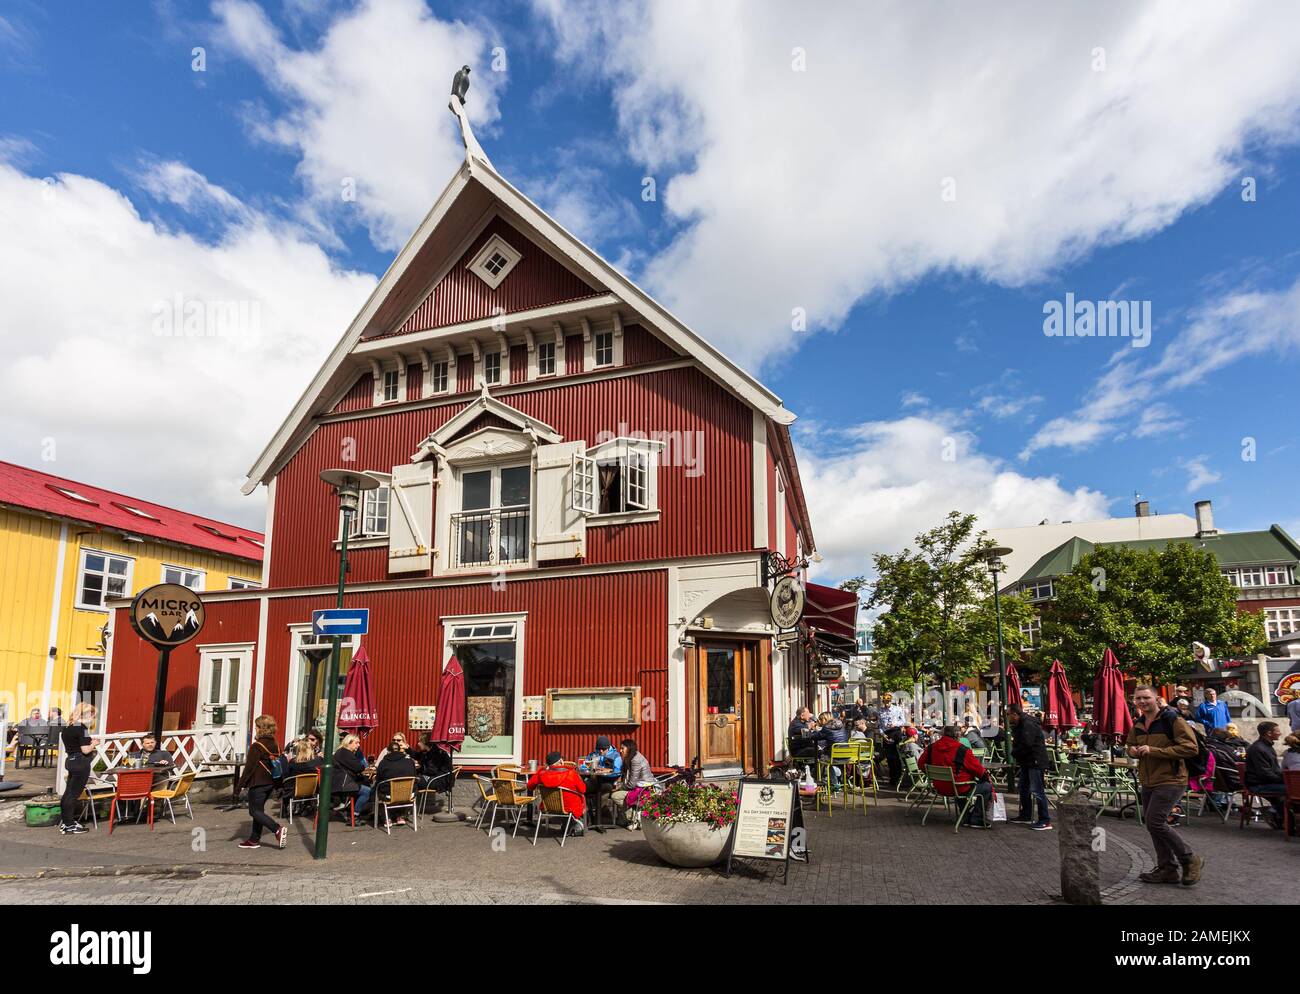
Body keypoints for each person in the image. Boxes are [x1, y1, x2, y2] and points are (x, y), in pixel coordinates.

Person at [1125, 686, 1203, 885]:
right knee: (1153, 825)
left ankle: (1189, 858)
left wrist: (1154, 751)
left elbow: (1190, 748)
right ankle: (1167, 869)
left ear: (1156, 699)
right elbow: (1129, 745)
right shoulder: (1139, 724)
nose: (1142, 701)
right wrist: (1132, 751)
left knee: (1155, 822)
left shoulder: (1172, 720)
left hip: (1172, 778)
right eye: (1138, 698)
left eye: (1146, 698)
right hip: (1148, 779)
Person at [917, 725, 994, 827]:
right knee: (986, 787)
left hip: (938, 786)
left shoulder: (931, 747)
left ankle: (965, 817)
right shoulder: (962, 750)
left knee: (958, 782)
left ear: (942, 735)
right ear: (958, 736)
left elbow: (921, 764)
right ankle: (976, 819)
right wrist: (985, 777)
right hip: (958, 787)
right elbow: (978, 770)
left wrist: (932, 774)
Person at [236, 714, 286, 850]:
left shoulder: (257, 746)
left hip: (258, 783)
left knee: (254, 812)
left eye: (256, 726)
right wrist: (279, 786)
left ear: (260, 728)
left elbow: (248, 769)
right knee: (259, 810)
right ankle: (254, 840)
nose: (255, 729)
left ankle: (277, 829)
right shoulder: (275, 744)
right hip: (270, 783)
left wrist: (238, 788)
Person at [1008, 705, 1052, 831]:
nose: (1007, 717)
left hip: (1035, 761)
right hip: (1027, 762)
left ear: (1015, 714)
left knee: (1037, 790)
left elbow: (1027, 743)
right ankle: (1026, 814)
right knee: (1023, 788)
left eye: (1008, 714)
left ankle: (1045, 820)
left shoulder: (1028, 724)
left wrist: (1014, 753)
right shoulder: (1021, 724)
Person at [57, 703, 97, 835]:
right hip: (80, 762)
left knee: (68, 793)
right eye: (92, 715)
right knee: (73, 795)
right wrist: (94, 744)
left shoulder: (68, 728)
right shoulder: (82, 728)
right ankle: (69, 825)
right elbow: (85, 750)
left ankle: (66, 822)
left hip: (71, 760)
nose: (93, 718)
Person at [1244, 722, 1286, 829]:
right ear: (1268, 733)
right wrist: (1284, 780)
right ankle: (1281, 818)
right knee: (1292, 790)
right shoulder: (1259, 749)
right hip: (1259, 784)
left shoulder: (1266, 746)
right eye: (1277, 731)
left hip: (1265, 782)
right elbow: (1265, 774)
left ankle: (1280, 815)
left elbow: (1273, 770)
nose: (1280, 733)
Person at [527, 751, 587, 820]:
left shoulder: (541, 774)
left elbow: (530, 786)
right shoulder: (571, 773)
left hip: (548, 806)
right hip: (570, 807)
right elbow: (583, 789)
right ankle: (576, 824)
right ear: (561, 761)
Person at [373, 734, 418, 827]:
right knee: (406, 789)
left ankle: (387, 817)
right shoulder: (409, 761)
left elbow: (379, 779)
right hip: (409, 794)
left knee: (378, 789)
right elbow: (414, 776)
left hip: (389, 795)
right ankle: (401, 816)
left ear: (388, 751)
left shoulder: (384, 763)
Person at [609, 738, 655, 829]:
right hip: (638, 786)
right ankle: (629, 817)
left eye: (622, 748)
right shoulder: (630, 757)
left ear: (629, 748)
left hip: (643, 788)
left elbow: (631, 784)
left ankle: (634, 817)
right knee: (615, 793)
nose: (620, 750)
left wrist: (618, 788)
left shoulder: (635, 760)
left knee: (615, 796)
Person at [332, 733, 374, 817]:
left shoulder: (341, 751)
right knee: (367, 791)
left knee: (366, 783)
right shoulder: (345, 753)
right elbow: (359, 767)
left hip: (339, 782)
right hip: (343, 785)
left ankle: (350, 810)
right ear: (349, 742)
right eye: (356, 743)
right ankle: (355, 815)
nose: (358, 745)